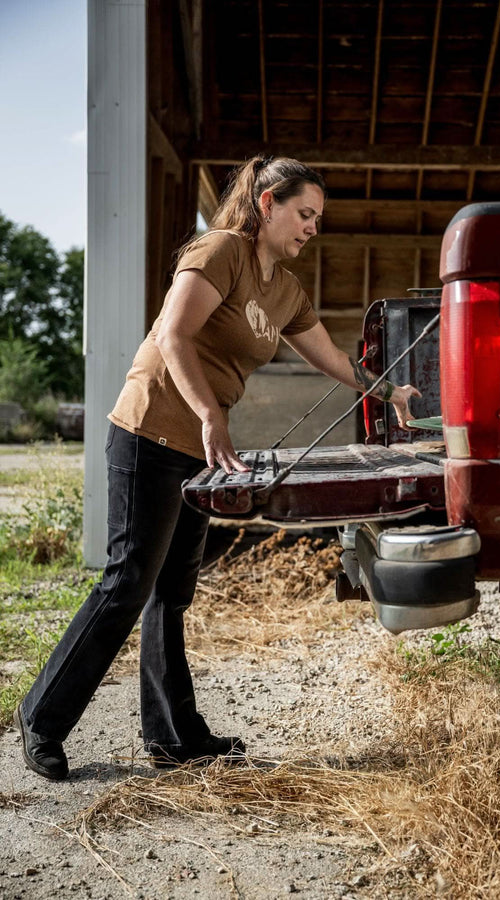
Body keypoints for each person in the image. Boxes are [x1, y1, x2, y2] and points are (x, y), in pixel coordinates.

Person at [14, 155, 421, 780]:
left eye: (318, 218)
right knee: (128, 582)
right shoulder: (220, 251)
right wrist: (211, 413)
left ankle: (174, 737)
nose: (313, 227)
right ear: (266, 204)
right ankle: (40, 717)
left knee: (173, 594)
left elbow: (330, 358)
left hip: (198, 450)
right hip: (149, 430)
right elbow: (174, 336)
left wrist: (387, 391)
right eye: (304, 213)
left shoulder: (284, 290)